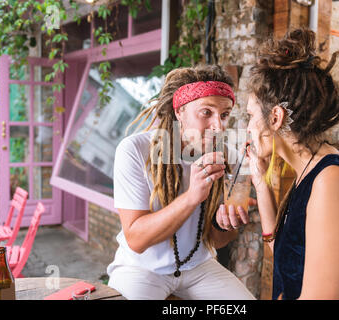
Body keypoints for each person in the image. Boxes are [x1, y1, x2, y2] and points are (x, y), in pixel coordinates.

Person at [236, 28, 339, 299]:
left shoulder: (333, 182)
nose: (247, 128)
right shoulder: (310, 172)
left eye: (250, 116)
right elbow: (290, 258)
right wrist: (260, 181)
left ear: (275, 117)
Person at [107, 65, 255, 300]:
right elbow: (136, 239)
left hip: (199, 268)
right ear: (180, 111)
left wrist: (225, 223)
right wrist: (192, 197)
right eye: (207, 112)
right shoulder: (135, 150)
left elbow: (217, 241)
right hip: (141, 269)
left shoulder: (230, 158)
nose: (219, 126)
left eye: (224, 114)